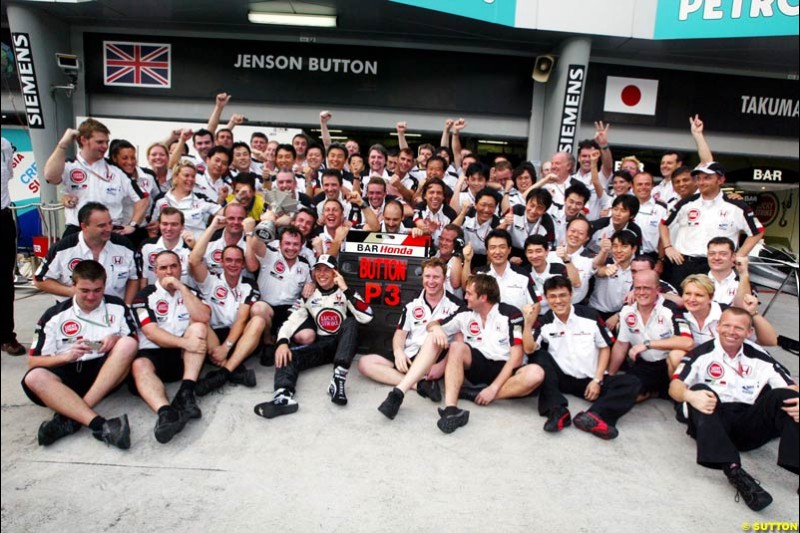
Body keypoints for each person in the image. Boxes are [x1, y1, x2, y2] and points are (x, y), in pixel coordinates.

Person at [669, 306, 798, 512]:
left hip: (747, 421)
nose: (731, 331)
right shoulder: (701, 353)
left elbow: (789, 385)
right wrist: (689, 395)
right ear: (717, 327)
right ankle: (735, 473)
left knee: (790, 398)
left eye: (739, 328)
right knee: (700, 390)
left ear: (749, 333)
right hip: (712, 420)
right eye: (726, 325)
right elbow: (675, 386)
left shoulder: (759, 355)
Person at [23, 260, 137, 448]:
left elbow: (134, 341)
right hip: (65, 375)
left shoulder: (117, 306)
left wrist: (114, 339)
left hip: (103, 374)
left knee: (127, 343)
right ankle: (100, 424)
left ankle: (70, 416)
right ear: (73, 285)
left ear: (104, 285)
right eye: (85, 290)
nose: (91, 296)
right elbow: (33, 361)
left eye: (97, 290)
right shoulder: (54, 315)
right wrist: (65, 356)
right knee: (34, 377)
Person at [416, 274, 544, 433]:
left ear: (483, 297)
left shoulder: (512, 315)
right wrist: (436, 329)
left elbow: (516, 358)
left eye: (469, 293)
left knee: (536, 374)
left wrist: (493, 389)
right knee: (456, 346)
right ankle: (451, 410)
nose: (465, 296)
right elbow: (434, 324)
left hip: (506, 369)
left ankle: (477, 394)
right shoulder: (465, 312)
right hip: (479, 364)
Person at [253, 255, 373, 418]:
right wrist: (282, 342)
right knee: (287, 355)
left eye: (327, 270)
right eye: (318, 270)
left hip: (342, 346)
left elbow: (367, 316)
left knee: (350, 322)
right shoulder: (309, 294)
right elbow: (291, 320)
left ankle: (338, 380)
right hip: (322, 345)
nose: (322, 274)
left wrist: (346, 289)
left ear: (335, 273)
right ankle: (283, 396)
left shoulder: (345, 292)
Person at [527, 276, 641, 438]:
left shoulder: (590, 315)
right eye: (552, 296)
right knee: (539, 356)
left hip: (589, 379)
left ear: (571, 295)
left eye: (562, 295)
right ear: (546, 298)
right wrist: (528, 323)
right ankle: (557, 411)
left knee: (632, 382)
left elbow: (604, 347)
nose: (558, 301)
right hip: (561, 378)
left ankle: (594, 416)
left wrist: (597, 380)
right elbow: (529, 349)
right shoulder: (545, 321)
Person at [130, 250, 210, 444]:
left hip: (184, 358)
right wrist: (185, 343)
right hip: (154, 353)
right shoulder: (143, 296)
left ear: (180, 268)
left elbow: (204, 317)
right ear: (155, 271)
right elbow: (150, 332)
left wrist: (182, 289)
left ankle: (186, 392)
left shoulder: (191, 292)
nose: (169, 272)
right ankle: (166, 414)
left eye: (173, 266)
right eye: (163, 268)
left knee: (199, 327)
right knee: (139, 365)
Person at [362, 258, 462, 411]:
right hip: (411, 353)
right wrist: (398, 352)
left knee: (434, 337)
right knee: (365, 363)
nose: (431, 281)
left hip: (435, 358)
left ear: (444, 278)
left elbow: (458, 342)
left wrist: (442, 366)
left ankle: (409, 384)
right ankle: (419, 385)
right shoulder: (412, 304)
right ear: (422, 278)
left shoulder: (456, 306)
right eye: (427, 276)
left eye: (436, 277)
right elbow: (400, 334)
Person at [189, 218, 267, 395]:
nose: (233, 264)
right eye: (228, 260)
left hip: (237, 337)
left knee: (258, 321)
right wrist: (213, 227)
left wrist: (226, 348)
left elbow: (241, 320)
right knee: (198, 320)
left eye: (237, 261)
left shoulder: (248, 284)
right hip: (213, 337)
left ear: (243, 264)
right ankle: (234, 371)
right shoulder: (210, 280)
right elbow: (194, 260)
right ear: (221, 262)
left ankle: (223, 373)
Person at [660, 161, 763, 289]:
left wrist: (739, 255)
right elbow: (663, 224)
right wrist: (668, 247)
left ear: (720, 180)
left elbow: (757, 231)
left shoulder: (736, 205)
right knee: (679, 304)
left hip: (716, 266)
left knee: (713, 306)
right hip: (683, 263)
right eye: (699, 178)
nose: (702, 182)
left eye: (707, 178)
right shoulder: (686, 203)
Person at [43, 119, 148, 236]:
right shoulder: (70, 165)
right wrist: (63, 144)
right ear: (83, 140)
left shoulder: (117, 171)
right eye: (100, 142)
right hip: (78, 231)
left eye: (106, 142)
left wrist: (133, 225)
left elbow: (142, 198)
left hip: (110, 232)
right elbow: (50, 177)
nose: (105, 146)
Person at [610, 270, 693, 400]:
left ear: (657, 290)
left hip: (667, 365)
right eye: (638, 288)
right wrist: (610, 376)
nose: (641, 292)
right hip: (645, 365)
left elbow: (688, 343)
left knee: (677, 355)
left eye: (647, 288)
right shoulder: (627, 311)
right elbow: (621, 345)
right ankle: (657, 392)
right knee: (626, 394)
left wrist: (647, 344)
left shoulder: (670, 309)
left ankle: (676, 396)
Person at [35, 202, 140, 304]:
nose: (109, 229)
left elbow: (134, 278)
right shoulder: (63, 248)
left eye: (110, 223)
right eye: (102, 225)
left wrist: (126, 307)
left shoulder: (125, 246)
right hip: (73, 314)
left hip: (114, 312)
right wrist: (73, 292)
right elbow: (39, 280)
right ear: (84, 226)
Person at [674, 275, 777, 373]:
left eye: (699, 295)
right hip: (696, 365)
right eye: (687, 294)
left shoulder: (726, 313)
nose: (691, 299)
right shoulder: (677, 313)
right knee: (675, 356)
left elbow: (770, 341)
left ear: (711, 297)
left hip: (729, 365)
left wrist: (753, 313)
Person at [244, 218, 313, 362]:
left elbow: (313, 283)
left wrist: (312, 284)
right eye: (287, 243)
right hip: (268, 309)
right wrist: (269, 221)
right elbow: (256, 244)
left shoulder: (305, 265)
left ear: (301, 247)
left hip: (290, 311)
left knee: (308, 337)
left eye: (295, 244)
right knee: (258, 308)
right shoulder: (269, 254)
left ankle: (285, 340)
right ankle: (268, 340)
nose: (291, 248)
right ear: (279, 244)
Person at [465, 229, 536, 314]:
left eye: (502, 247)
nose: (497, 252)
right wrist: (467, 261)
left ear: (509, 249)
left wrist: (527, 326)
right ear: (487, 251)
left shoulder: (523, 274)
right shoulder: (479, 273)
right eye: (493, 247)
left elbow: (535, 305)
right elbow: (465, 287)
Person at [150, 160, 220, 238]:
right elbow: (152, 229)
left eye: (193, 176)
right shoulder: (161, 199)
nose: (190, 179)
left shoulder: (200, 198)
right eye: (186, 175)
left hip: (197, 246)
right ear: (175, 177)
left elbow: (224, 212)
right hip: (171, 247)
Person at [1, 136, 26, 355]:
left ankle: (6, 336)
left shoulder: (4, 144)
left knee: (5, 281)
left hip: (2, 218)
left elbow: (9, 174)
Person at [521, 234, 580, 314]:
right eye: (530, 252)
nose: (534, 256)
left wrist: (566, 259)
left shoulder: (559, 269)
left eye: (538, 251)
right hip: (532, 315)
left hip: (556, 314)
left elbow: (576, 283)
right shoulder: (523, 272)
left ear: (547, 251)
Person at [139, 207, 193, 288]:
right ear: (159, 225)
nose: (169, 228)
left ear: (182, 227)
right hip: (155, 297)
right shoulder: (147, 246)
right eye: (165, 224)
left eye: (174, 224)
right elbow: (144, 278)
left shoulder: (190, 249)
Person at [507, 188, 556, 260]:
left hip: (534, 257)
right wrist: (505, 223)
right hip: (510, 252)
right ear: (526, 203)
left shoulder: (547, 222)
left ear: (545, 211)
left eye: (539, 208)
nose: (533, 211)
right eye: (532, 205)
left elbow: (549, 247)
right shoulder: (515, 211)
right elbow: (497, 234)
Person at [706, 237, 753, 306]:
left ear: (733, 256)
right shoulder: (695, 281)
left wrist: (743, 273)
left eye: (723, 254)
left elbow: (743, 308)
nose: (716, 258)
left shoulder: (744, 282)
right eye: (712, 254)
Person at [631, 172, 668, 259]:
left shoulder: (661, 208)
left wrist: (660, 260)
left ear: (652, 186)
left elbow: (663, 238)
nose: (643, 187)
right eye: (639, 184)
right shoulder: (625, 206)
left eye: (647, 184)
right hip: (627, 256)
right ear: (632, 187)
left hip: (651, 257)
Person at [413, 178, 458, 242]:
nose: (435, 196)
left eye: (439, 193)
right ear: (425, 196)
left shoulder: (451, 214)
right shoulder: (420, 207)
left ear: (443, 196)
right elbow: (418, 223)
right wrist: (428, 230)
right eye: (431, 192)